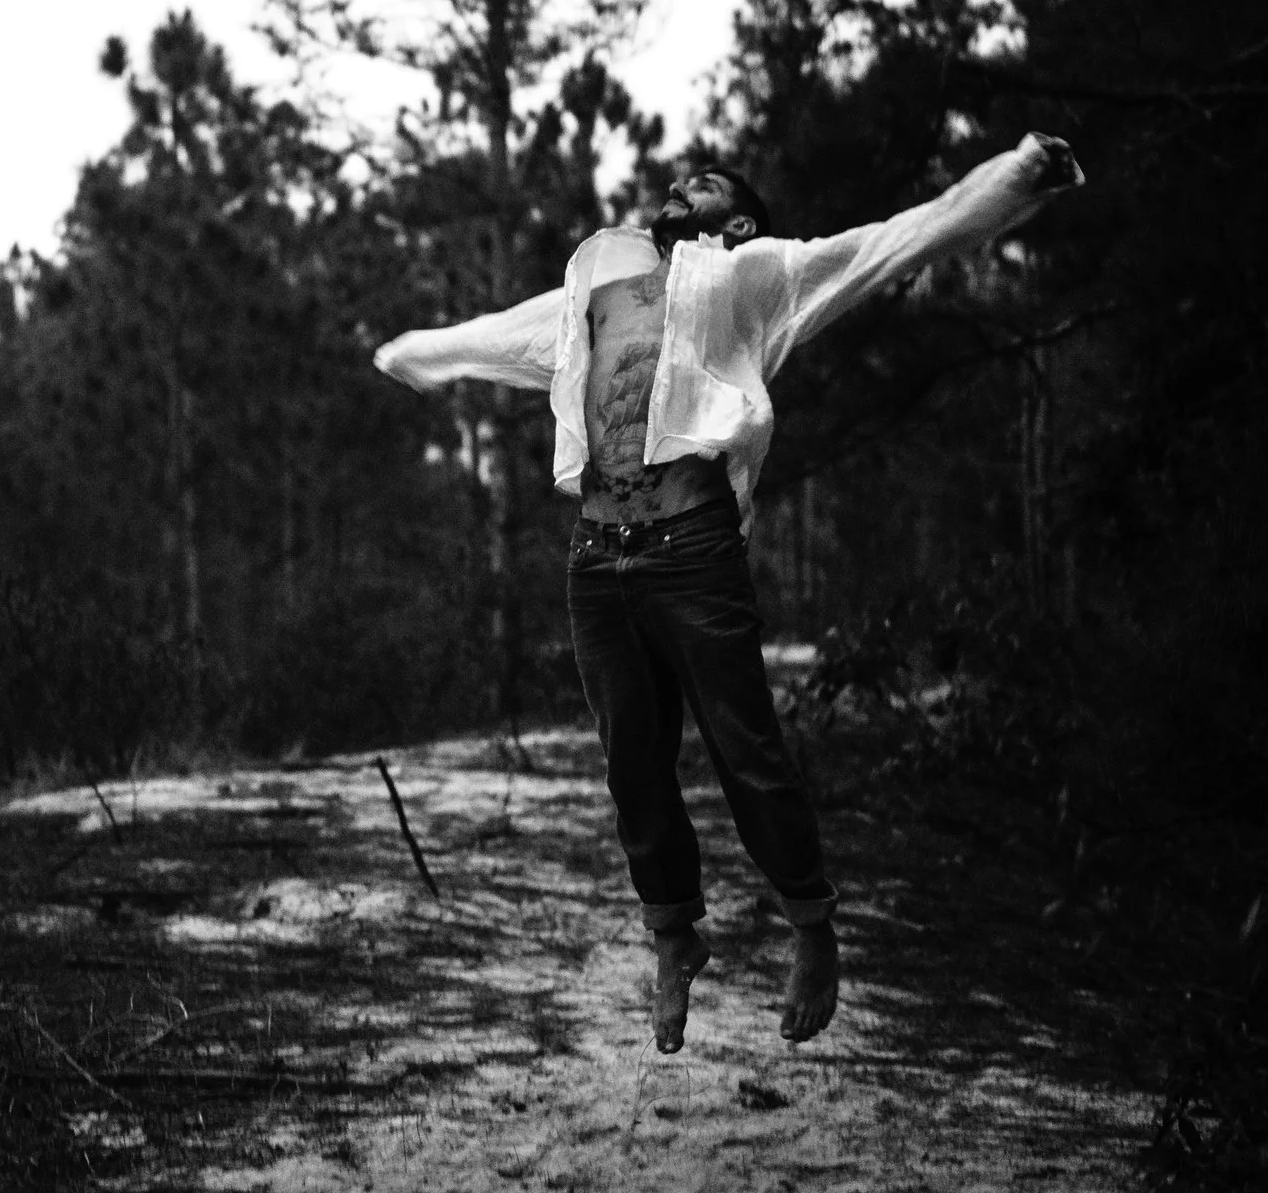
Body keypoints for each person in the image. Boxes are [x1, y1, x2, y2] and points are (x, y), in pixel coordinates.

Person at [373, 132, 1084, 1053]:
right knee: (632, 767)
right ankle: (675, 936)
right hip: (595, 557)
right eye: (677, 181)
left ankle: (812, 926)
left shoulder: (753, 277)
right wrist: (414, 354)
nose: (677, 187)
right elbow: (501, 334)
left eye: (700, 185)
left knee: (748, 755)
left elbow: (893, 242)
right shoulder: (597, 287)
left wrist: (1020, 174)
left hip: (692, 551)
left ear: (737, 219)